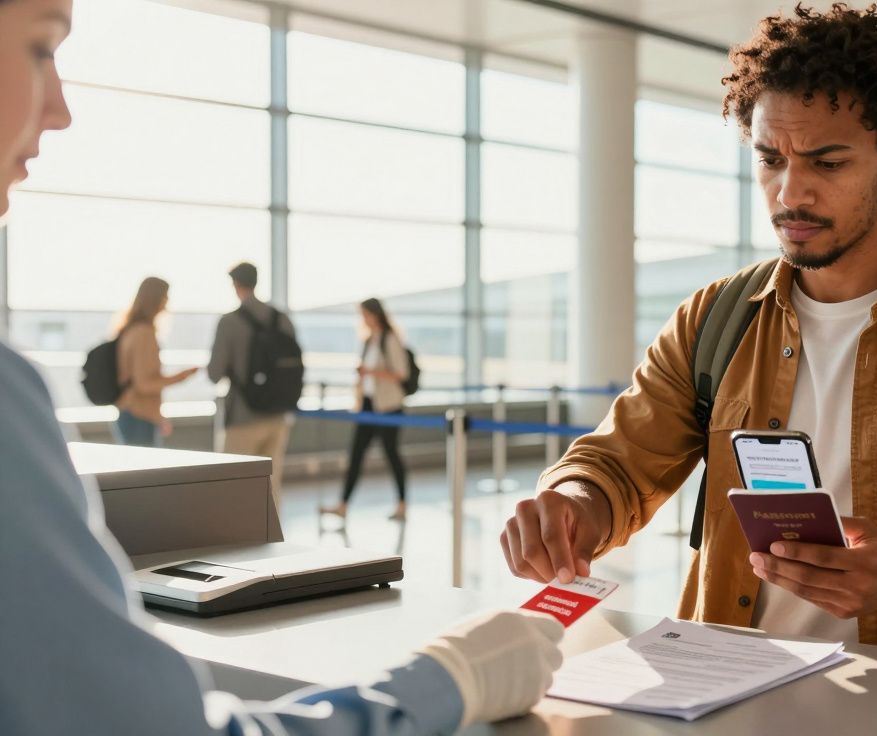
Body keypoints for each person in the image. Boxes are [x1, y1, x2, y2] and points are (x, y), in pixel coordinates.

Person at [0, 2, 564, 734]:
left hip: (243, 417)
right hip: (280, 420)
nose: (62, 109)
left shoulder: (229, 325)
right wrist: (449, 681)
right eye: (42, 50)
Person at [501, 4, 877, 660]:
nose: (791, 193)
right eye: (770, 160)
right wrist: (570, 505)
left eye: (827, 163)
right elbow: (614, 465)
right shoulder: (714, 320)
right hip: (725, 694)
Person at [208, 262, 298, 505]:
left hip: (243, 415)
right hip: (278, 415)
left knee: (233, 486)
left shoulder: (229, 322)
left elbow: (214, 373)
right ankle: (271, 539)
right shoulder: (282, 319)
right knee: (270, 485)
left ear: (236, 285)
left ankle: (236, 539)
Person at [321, 298, 410, 521]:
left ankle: (402, 504)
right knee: (357, 454)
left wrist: (371, 371)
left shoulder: (389, 339)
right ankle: (343, 505)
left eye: (365, 314)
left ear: (374, 314)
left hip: (389, 406)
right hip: (369, 404)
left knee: (391, 455)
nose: (363, 319)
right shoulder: (369, 340)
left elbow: (401, 373)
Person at [113, 276, 199, 446]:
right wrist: (181, 377)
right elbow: (143, 384)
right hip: (139, 416)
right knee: (143, 471)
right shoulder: (144, 333)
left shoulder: (130, 330)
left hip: (134, 413)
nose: (167, 302)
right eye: (165, 297)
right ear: (155, 299)